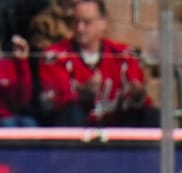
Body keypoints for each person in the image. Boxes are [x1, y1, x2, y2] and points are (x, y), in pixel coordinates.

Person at [36, 0, 159, 128]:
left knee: (152, 116)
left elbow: (139, 97)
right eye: (76, 21)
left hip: (116, 124)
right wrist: (83, 96)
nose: (79, 28)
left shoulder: (122, 54)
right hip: (76, 124)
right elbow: (57, 102)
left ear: (103, 24)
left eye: (87, 22)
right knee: (73, 114)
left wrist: (137, 95)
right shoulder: (55, 55)